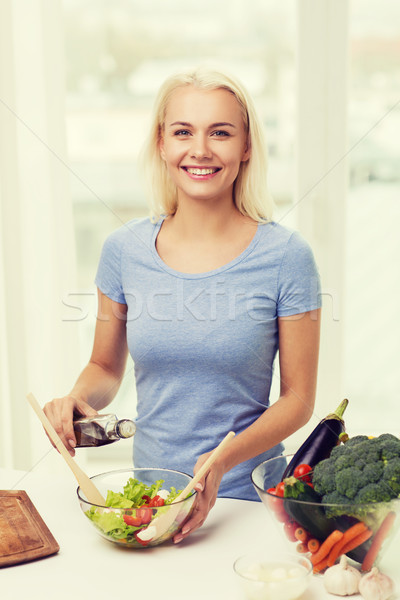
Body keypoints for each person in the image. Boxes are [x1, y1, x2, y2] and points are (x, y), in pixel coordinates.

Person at [44, 66, 321, 544]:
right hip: (146, 501)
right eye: (183, 132)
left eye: (220, 132)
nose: (200, 149)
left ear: (247, 146)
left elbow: (298, 400)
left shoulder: (287, 257)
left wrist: (223, 460)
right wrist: (78, 399)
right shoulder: (123, 250)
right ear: (161, 144)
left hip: (248, 505)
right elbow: (104, 366)